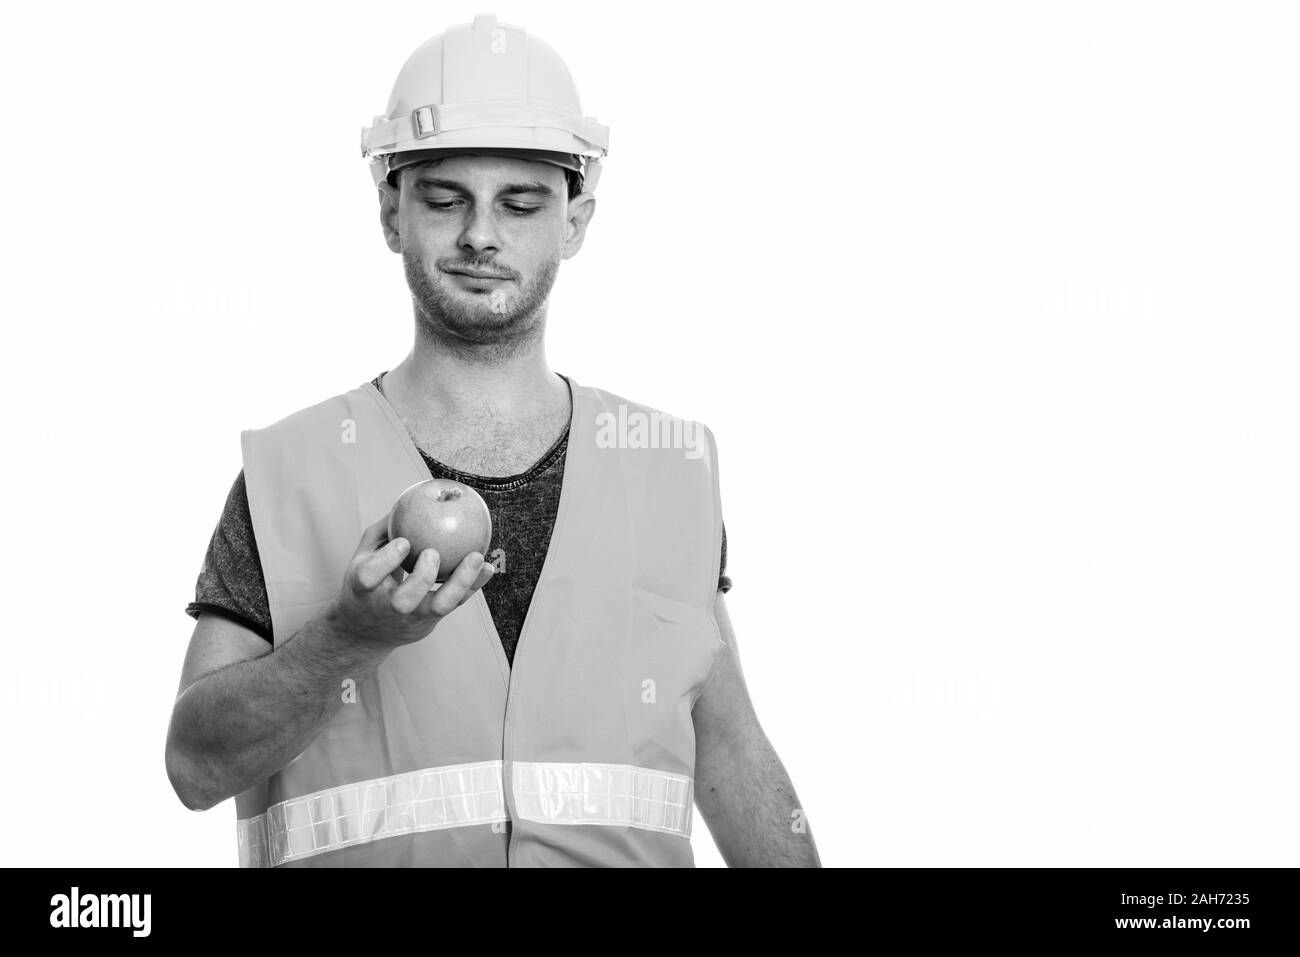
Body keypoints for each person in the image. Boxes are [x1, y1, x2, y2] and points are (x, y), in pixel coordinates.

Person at [165, 13, 820, 868]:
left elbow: (733, 755)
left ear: (576, 221)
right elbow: (195, 765)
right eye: (444, 200)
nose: (481, 235)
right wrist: (350, 639)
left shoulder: (665, 470)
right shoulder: (292, 473)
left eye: (520, 203)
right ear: (390, 212)